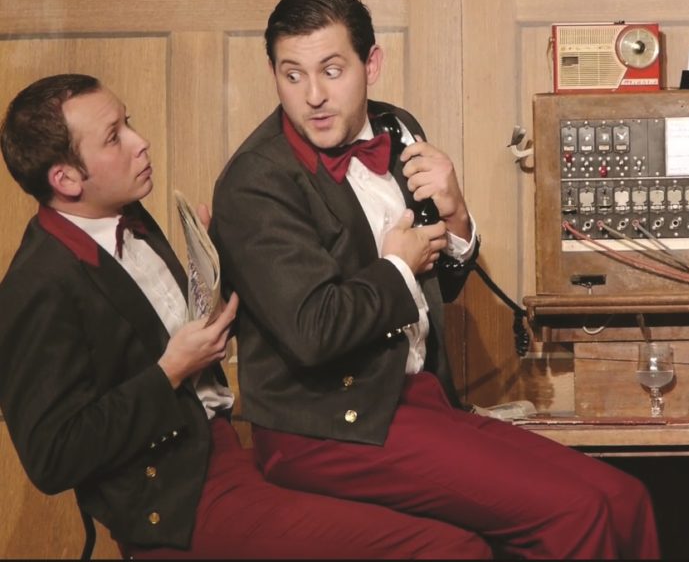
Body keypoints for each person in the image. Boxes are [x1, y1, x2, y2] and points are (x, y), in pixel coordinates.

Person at [210, 0, 661, 560]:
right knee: (577, 513)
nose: (313, 96)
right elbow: (313, 333)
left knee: (623, 497)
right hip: (328, 425)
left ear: (372, 65)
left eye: (331, 70)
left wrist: (457, 215)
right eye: (292, 75)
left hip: (419, 400)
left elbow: (435, 287)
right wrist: (397, 265)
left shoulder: (397, 127)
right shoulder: (256, 182)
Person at [0, 73, 493, 559]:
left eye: (128, 122)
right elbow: (52, 457)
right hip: (175, 502)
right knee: (449, 549)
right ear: (65, 180)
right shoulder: (36, 284)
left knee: (465, 523)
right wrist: (170, 371)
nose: (140, 142)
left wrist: (224, 282)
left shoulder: (129, 218)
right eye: (114, 137)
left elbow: (149, 334)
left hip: (231, 450)